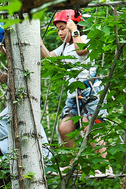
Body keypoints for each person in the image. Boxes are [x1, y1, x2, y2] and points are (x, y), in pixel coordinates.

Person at [40, 9, 105, 149]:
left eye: (63, 28)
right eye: (58, 30)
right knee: (65, 129)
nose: (60, 33)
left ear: (74, 25)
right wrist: (39, 42)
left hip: (91, 90)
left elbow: (81, 51)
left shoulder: (85, 39)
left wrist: (74, 30)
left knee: (91, 129)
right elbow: (50, 58)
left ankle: (103, 167)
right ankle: (73, 164)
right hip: (74, 94)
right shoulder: (64, 47)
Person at [0, 25, 53, 161]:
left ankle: (41, 156)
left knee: (6, 123)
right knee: (26, 122)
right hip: (20, 96)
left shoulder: (19, 53)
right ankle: (39, 156)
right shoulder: (11, 56)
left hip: (26, 95)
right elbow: (6, 79)